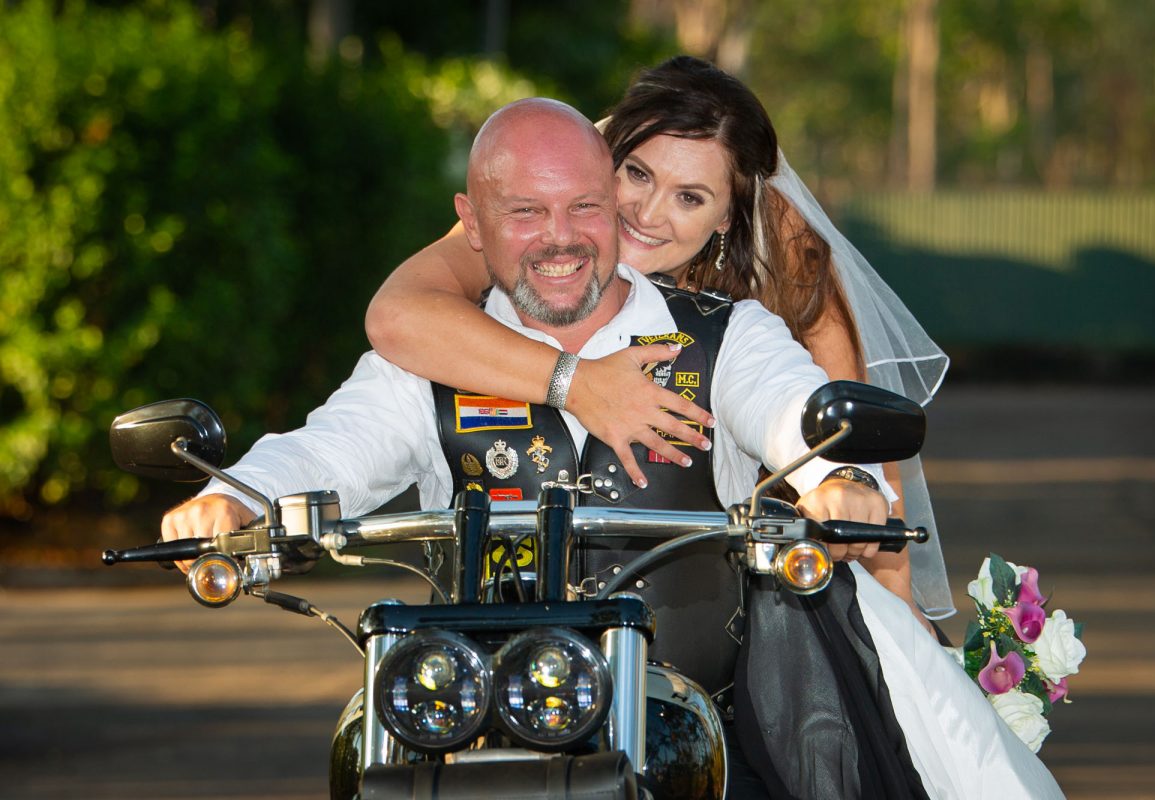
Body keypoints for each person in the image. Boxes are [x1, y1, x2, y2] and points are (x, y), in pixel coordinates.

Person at [163, 98, 1063, 799]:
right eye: (525, 211)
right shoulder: (428, 360)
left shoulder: (724, 336)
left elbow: (795, 409)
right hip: (472, 720)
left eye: (584, 207)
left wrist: (840, 479)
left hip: (692, 723)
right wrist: (236, 494)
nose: (559, 238)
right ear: (470, 225)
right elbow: (331, 448)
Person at [363, 56, 955, 631]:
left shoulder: (785, 260)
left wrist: (860, 521)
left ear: (727, 215)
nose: (646, 214)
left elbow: (831, 434)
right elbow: (400, 316)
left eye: (690, 197)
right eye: (636, 174)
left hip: (753, 592)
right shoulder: (548, 219)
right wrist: (579, 382)